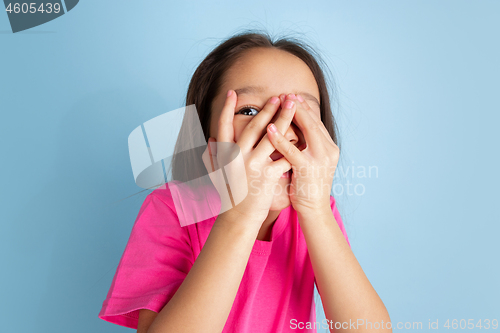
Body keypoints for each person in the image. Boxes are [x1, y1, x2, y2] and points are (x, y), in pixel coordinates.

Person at [98, 30, 391, 333]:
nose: (280, 132)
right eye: (250, 111)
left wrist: (316, 210)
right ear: (206, 135)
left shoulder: (316, 211)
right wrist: (240, 215)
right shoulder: (174, 208)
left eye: (300, 112)